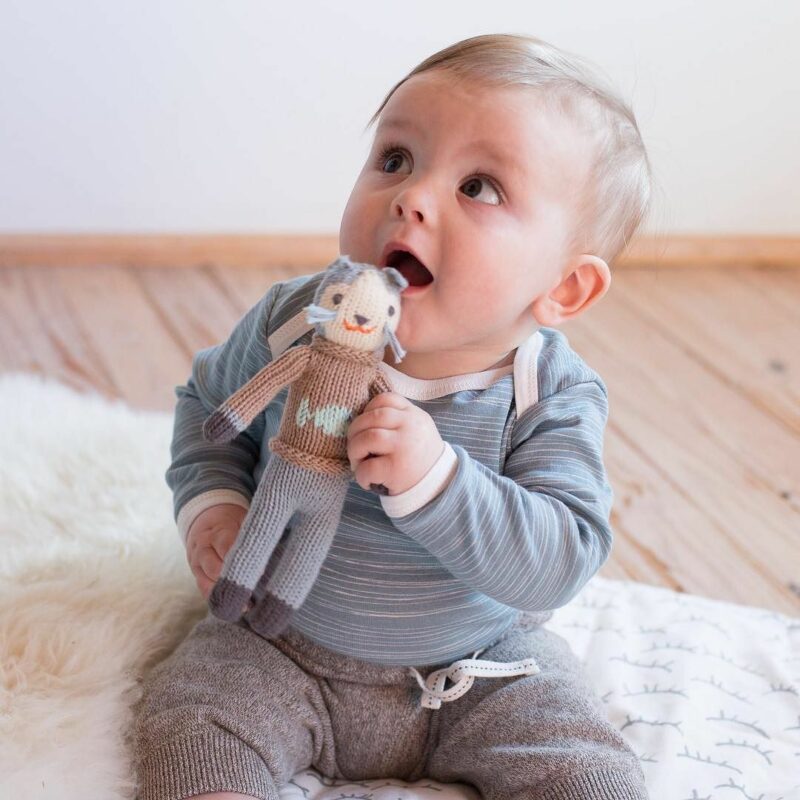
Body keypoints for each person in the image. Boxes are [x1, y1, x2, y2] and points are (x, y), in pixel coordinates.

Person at [133, 32, 653, 800]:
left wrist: (440, 482)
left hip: (481, 666)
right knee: (188, 726)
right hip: (283, 646)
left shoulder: (548, 390)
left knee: (591, 773)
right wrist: (215, 505)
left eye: (479, 187)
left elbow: (562, 555)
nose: (410, 196)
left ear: (564, 289)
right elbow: (210, 412)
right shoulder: (298, 321)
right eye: (396, 159)